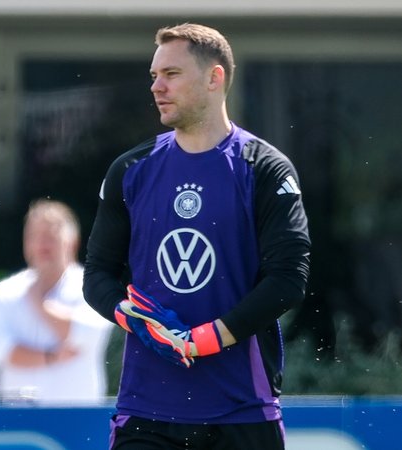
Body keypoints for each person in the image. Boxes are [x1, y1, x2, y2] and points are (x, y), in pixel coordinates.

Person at [83, 23, 311, 449]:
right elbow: (97, 273)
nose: (156, 87)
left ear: (214, 77)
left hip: (242, 409)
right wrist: (129, 317)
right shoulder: (130, 170)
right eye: (154, 75)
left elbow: (288, 279)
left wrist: (205, 339)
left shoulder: (264, 168)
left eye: (171, 74)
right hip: (146, 411)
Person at [0, 199, 112, 404]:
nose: (42, 244)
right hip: (17, 418)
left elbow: (86, 335)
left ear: (73, 241)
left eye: (51, 236)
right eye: (35, 236)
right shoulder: (6, 291)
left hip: (77, 415)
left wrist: (40, 305)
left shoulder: (92, 288)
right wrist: (50, 357)